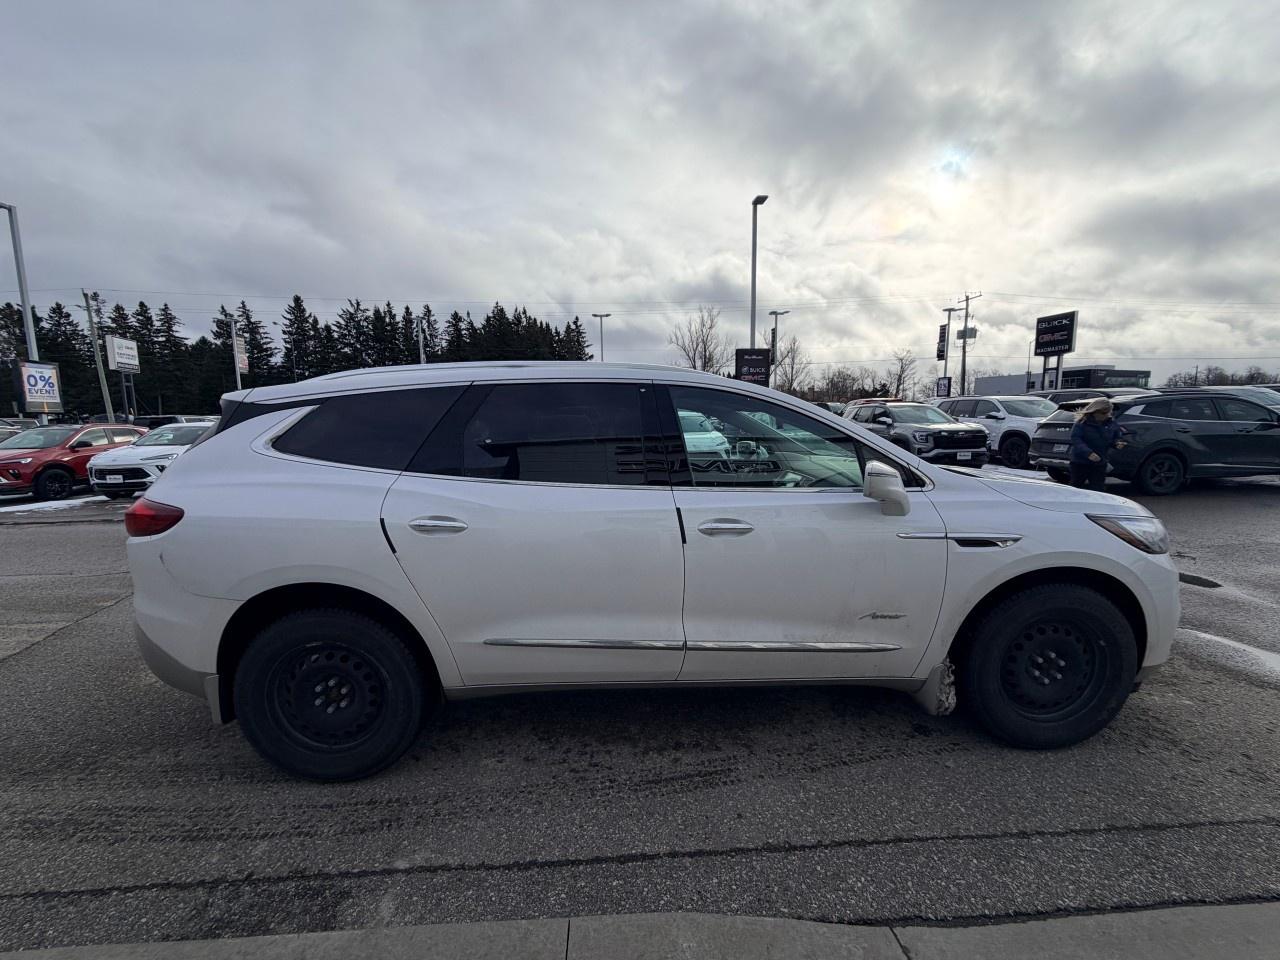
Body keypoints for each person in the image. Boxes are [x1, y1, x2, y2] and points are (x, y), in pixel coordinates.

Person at [1069, 397, 1126, 491]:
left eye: (1108, 413)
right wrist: (1088, 453)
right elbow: (1076, 439)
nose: (1106, 415)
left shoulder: (1111, 423)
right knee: (1076, 488)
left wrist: (1117, 443)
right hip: (1080, 462)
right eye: (1103, 413)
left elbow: (1116, 437)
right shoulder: (1082, 423)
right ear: (1095, 411)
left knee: (1097, 489)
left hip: (1100, 462)